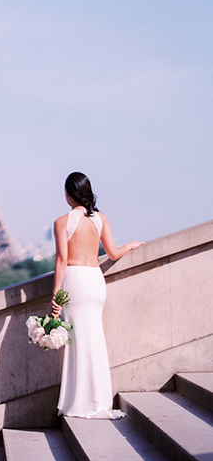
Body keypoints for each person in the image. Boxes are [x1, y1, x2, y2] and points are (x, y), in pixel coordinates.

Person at [51, 171, 143, 419]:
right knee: (95, 339)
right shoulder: (100, 219)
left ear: (68, 194)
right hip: (95, 280)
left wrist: (56, 296)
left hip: (75, 281)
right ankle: (100, 400)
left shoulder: (62, 222)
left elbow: (61, 260)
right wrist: (131, 245)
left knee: (78, 342)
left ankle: (79, 402)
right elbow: (112, 254)